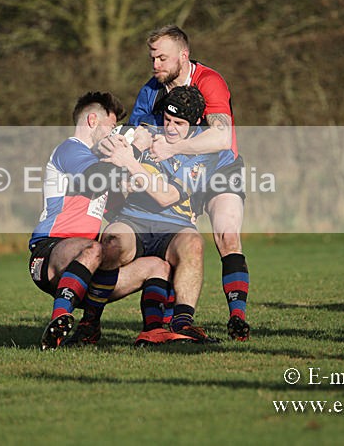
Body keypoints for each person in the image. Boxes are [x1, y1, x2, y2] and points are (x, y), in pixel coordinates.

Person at [123, 25, 251, 342]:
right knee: (174, 243)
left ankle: (237, 318)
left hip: (220, 168)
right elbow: (135, 133)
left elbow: (221, 137)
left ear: (183, 55)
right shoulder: (151, 90)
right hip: (178, 172)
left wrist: (174, 147)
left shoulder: (209, 81)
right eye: (153, 58)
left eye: (162, 58)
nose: (156, 65)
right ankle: (170, 324)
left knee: (227, 235)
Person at [85, 85, 224, 345]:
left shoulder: (203, 154)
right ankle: (89, 322)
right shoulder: (145, 132)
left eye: (179, 123)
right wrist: (113, 145)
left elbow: (166, 196)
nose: (170, 128)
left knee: (194, 243)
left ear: (195, 123)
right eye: (167, 120)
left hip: (174, 226)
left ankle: (183, 324)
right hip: (133, 218)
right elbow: (98, 148)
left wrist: (130, 162)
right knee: (112, 242)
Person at [28, 91, 127, 350]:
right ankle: (59, 319)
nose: (113, 134)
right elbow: (97, 178)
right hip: (48, 249)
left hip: (85, 262)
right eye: (111, 127)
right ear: (93, 120)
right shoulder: (70, 149)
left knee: (155, 266)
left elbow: (119, 209)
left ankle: (158, 331)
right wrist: (129, 150)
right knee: (94, 248)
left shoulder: (98, 162)